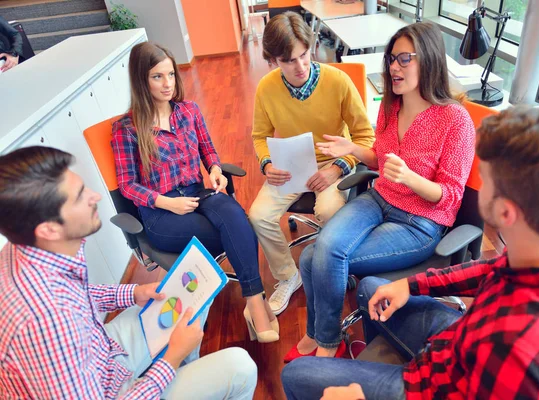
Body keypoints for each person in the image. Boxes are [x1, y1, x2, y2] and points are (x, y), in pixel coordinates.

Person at [282, 105, 539, 399]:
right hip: (461, 341)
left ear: (506, 212)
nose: (475, 190)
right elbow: (491, 270)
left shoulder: (517, 355)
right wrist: (412, 285)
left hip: (439, 383)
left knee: (297, 375)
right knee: (371, 288)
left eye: (485, 181)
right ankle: (378, 353)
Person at [0, 146, 258, 399]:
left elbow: (76, 295)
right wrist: (171, 360)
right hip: (105, 390)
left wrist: (134, 292)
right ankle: (178, 368)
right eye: (80, 196)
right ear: (49, 229)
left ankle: (187, 370)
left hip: (101, 353)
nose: (95, 196)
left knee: (194, 297)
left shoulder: (23, 248)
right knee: (241, 367)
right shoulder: (46, 322)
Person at [286, 22, 476, 361]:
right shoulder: (391, 106)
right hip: (378, 199)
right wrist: (353, 149)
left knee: (320, 256)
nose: (394, 67)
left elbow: (450, 195)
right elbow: (380, 157)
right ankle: (322, 335)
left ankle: (326, 342)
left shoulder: (455, 120)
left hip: (418, 222)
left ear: (429, 60)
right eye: (392, 59)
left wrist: (411, 178)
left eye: (405, 59)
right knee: (319, 252)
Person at [112, 42, 278, 343]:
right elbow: (127, 184)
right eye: (157, 77)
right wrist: (167, 203)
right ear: (140, 80)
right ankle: (258, 304)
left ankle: (253, 301)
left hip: (196, 192)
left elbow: (208, 151)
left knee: (233, 214)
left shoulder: (188, 111)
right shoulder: (126, 129)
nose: (168, 84)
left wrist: (215, 170)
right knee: (238, 228)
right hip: (161, 213)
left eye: (171, 75)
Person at [248, 11, 375, 316]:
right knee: (259, 215)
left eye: (304, 55)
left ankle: (332, 266)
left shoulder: (338, 81)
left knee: (329, 210)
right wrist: (267, 165)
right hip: (291, 164)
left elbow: (366, 137)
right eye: (288, 60)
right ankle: (288, 276)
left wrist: (337, 168)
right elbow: (259, 136)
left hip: (334, 162)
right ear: (273, 60)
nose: (300, 66)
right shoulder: (266, 88)